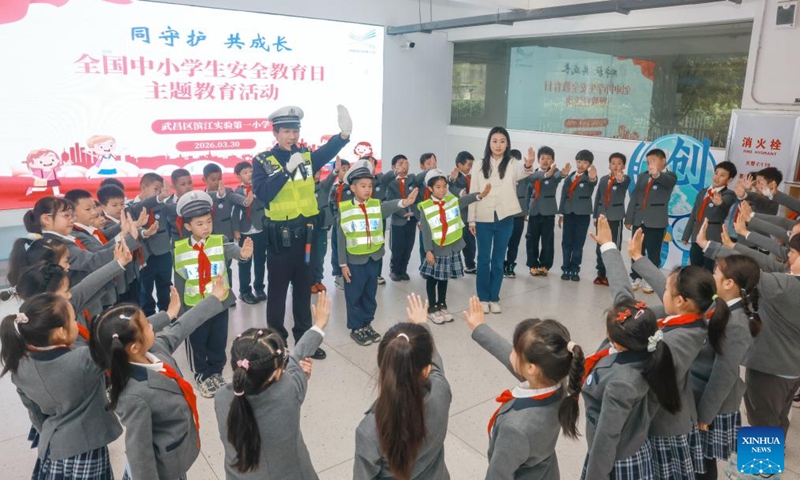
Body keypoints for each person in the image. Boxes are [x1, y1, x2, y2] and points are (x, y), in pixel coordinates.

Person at [600, 218, 730, 479]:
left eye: (668, 292)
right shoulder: (692, 313)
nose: (662, 294)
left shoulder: (682, 338)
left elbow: (626, 307)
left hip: (667, 426)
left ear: (681, 301)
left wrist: (609, 249)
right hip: (669, 417)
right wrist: (635, 257)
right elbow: (662, 285)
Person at [89, 277, 228, 480]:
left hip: (177, 456)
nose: (153, 327)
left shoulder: (155, 349)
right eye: (147, 326)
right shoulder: (134, 396)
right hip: (162, 471)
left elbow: (182, 327)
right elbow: (140, 456)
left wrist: (213, 299)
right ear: (134, 347)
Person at [252, 105, 352, 360]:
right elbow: (263, 194)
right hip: (279, 239)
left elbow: (326, 152)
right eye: (287, 131)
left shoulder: (306, 156)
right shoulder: (262, 161)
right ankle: (275, 343)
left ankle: (305, 340)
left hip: (306, 236)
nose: (292, 137)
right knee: (276, 294)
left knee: (302, 291)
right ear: (275, 133)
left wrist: (343, 135)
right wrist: (286, 171)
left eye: (295, 131)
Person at [1, 293, 122, 479]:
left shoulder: (19, 366)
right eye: (74, 320)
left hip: (53, 446)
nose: (77, 324)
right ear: (60, 332)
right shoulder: (82, 360)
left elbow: (35, 413)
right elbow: (122, 343)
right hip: (87, 445)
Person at [463, 295, 583, 479]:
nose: (511, 350)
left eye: (516, 349)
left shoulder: (516, 428)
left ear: (531, 368)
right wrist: (481, 329)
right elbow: (512, 359)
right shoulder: (557, 381)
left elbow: (499, 474)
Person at [214, 292, 331, 480]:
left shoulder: (221, 397)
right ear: (277, 373)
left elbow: (292, 364)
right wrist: (318, 326)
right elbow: (297, 358)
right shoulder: (289, 389)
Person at [699, 223, 800, 438]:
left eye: (793, 253)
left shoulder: (790, 287)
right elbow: (765, 264)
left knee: (761, 418)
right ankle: (775, 455)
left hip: (771, 369)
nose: (788, 257)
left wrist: (712, 247)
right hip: (791, 368)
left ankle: (761, 470)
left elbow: (750, 273)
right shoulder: (790, 281)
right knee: (778, 414)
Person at [581, 298, 682, 479]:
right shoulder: (650, 355)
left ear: (619, 344)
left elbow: (608, 435)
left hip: (614, 458)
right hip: (633, 443)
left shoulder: (621, 383)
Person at [353, 294, 452, 480]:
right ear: (426, 369)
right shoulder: (441, 391)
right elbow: (435, 363)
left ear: (383, 362)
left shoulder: (370, 429)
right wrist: (422, 325)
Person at [173, 191, 253, 397]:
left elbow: (233, 251)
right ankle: (202, 374)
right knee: (197, 342)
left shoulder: (219, 240)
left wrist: (243, 255)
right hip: (194, 306)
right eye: (200, 224)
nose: (206, 227)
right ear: (188, 226)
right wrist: (179, 310)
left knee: (218, 339)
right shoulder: (180, 249)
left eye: (208, 221)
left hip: (219, 303)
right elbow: (179, 280)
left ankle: (216, 371)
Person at [337, 160, 418, 345]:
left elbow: (388, 206)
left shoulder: (375, 204)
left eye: (370, 186)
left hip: (373, 259)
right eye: (363, 186)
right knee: (354, 295)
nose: (367, 190)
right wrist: (342, 264)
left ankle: (366, 324)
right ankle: (356, 327)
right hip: (354, 262)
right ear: (353, 187)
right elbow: (340, 238)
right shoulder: (345, 209)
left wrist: (404, 202)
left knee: (370, 294)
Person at [468, 127, 535, 314]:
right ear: (489, 143)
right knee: (483, 259)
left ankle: (494, 297)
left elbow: (524, 171)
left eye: (502, 141)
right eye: (495, 141)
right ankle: (482, 297)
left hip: (505, 218)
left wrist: (529, 163)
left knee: (498, 260)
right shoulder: (479, 165)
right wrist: (471, 220)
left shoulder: (512, 163)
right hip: (483, 218)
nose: (498, 145)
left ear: (507, 144)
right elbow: (474, 191)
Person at [418, 169, 487, 323]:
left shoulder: (451, 201)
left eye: (444, 186)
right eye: (438, 187)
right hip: (436, 249)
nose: (442, 190)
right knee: (432, 279)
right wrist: (428, 251)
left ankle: (442, 304)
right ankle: (432, 308)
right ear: (430, 188)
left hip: (450, 248)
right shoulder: (426, 207)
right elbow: (426, 232)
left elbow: (464, 200)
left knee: (444, 278)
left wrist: (478, 195)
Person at [624, 148, 678, 294]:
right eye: (648, 162)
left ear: (663, 161)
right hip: (638, 220)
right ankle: (636, 277)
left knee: (653, 253)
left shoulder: (669, 176)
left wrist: (657, 174)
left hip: (656, 222)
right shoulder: (642, 176)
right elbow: (634, 197)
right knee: (636, 250)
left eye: (653, 161)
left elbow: (667, 183)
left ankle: (651, 280)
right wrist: (629, 218)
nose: (650, 165)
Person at [132, 173, 175, 316]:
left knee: (165, 285)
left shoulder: (162, 205)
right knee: (145, 290)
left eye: (161, 190)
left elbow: (174, 211)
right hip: (143, 257)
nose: (160, 193)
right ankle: (148, 316)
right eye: (156, 189)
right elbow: (141, 207)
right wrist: (159, 198)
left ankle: (166, 313)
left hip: (163, 253)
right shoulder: (132, 207)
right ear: (143, 188)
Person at [682, 161, 738, 271]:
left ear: (729, 179)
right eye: (716, 173)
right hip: (696, 236)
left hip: (713, 237)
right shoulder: (703, 192)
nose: (717, 177)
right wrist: (686, 235)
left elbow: (725, 203)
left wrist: (720, 203)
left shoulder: (728, 194)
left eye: (722, 175)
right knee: (694, 267)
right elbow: (693, 214)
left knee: (709, 268)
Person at [557, 149, 598, 282]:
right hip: (568, 214)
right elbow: (563, 196)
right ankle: (565, 268)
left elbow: (593, 182)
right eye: (579, 161)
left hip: (583, 215)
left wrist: (593, 177)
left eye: (585, 162)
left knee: (578, 243)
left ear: (589, 164)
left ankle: (575, 269)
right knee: (566, 242)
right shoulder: (569, 177)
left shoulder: (589, 178)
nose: (581, 165)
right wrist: (561, 213)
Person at [526, 146, 565, 277]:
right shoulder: (532, 173)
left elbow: (559, 176)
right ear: (538, 159)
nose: (545, 161)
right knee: (532, 239)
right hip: (534, 211)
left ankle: (544, 264)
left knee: (547, 240)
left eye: (549, 158)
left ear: (552, 160)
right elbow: (528, 189)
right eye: (543, 158)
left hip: (548, 212)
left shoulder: (555, 172)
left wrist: (563, 174)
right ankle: (532, 265)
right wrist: (526, 210)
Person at [592, 152, 631, 286]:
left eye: (619, 163)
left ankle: (612, 274)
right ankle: (601, 273)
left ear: (623, 166)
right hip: (602, 217)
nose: (615, 166)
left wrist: (619, 179)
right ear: (609, 165)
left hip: (615, 218)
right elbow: (598, 198)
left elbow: (623, 183)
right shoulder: (603, 179)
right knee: (600, 246)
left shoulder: (625, 179)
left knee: (614, 246)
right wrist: (595, 216)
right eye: (613, 163)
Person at [232, 161, 267, 305]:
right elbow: (234, 214)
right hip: (245, 231)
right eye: (245, 173)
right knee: (244, 263)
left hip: (260, 229)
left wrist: (257, 193)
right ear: (238, 176)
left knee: (260, 261)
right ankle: (244, 291)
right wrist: (235, 230)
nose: (249, 175)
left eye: (251, 171)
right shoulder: (236, 193)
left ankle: (259, 288)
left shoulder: (259, 188)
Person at [311, 157, 342, 293]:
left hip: (322, 226)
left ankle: (318, 280)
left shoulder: (323, 186)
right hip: (306, 228)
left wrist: (335, 170)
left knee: (320, 255)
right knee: (307, 256)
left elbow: (330, 179)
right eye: (313, 172)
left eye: (318, 171)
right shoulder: (301, 189)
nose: (316, 174)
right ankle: (308, 281)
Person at [386, 154, 418, 281]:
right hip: (399, 220)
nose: (404, 166)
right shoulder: (391, 183)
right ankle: (394, 270)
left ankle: (403, 270)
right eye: (400, 163)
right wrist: (401, 212)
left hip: (412, 220)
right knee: (397, 247)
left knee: (408, 246)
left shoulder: (412, 179)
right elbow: (390, 200)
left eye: (406, 163)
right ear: (393, 167)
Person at [448, 151, 477, 274]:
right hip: (459, 216)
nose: (470, 168)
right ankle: (454, 267)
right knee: (457, 243)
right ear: (459, 165)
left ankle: (470, 265)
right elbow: (451, 186)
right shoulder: (455, 178)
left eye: (471, 165)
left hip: (471, 217)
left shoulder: (472, 177)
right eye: (468, 165)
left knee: (470, 243)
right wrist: (452, 181)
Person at [328, 159, 354, 290]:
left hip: (351, 224)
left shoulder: (354, 187)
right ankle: (338, 275)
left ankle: (351, 272)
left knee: (350, 248)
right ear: (337, 172)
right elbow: (331, 206)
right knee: (337, 248)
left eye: (348, 168)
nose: (347, 172)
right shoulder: (334, 188)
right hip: (338, 223)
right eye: (344, 169)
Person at [502, 149, 528, 279]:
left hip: (518, 214)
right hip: (504, 213)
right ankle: (500, 265)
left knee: (514, 242)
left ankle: (511, 264)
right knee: (502, 241)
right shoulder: (502, 174)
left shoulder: (525, 176)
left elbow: (538, 176)